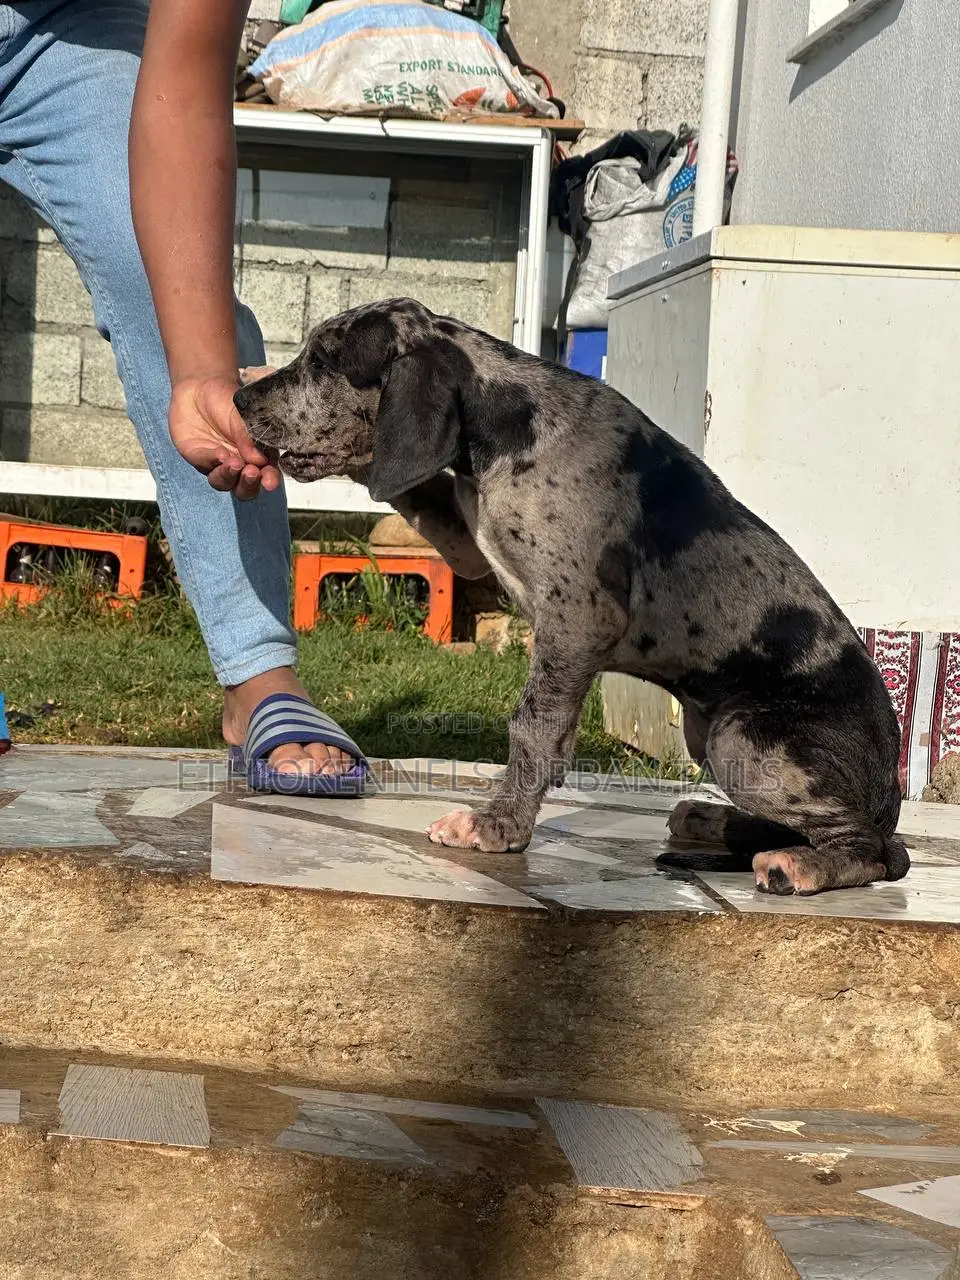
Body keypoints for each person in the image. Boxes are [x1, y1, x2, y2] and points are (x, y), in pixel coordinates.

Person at [0, 0, 365, 795]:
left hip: (71, 31)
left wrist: (201, 371)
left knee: (173, 281)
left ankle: (257, 673)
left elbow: (183, 88)